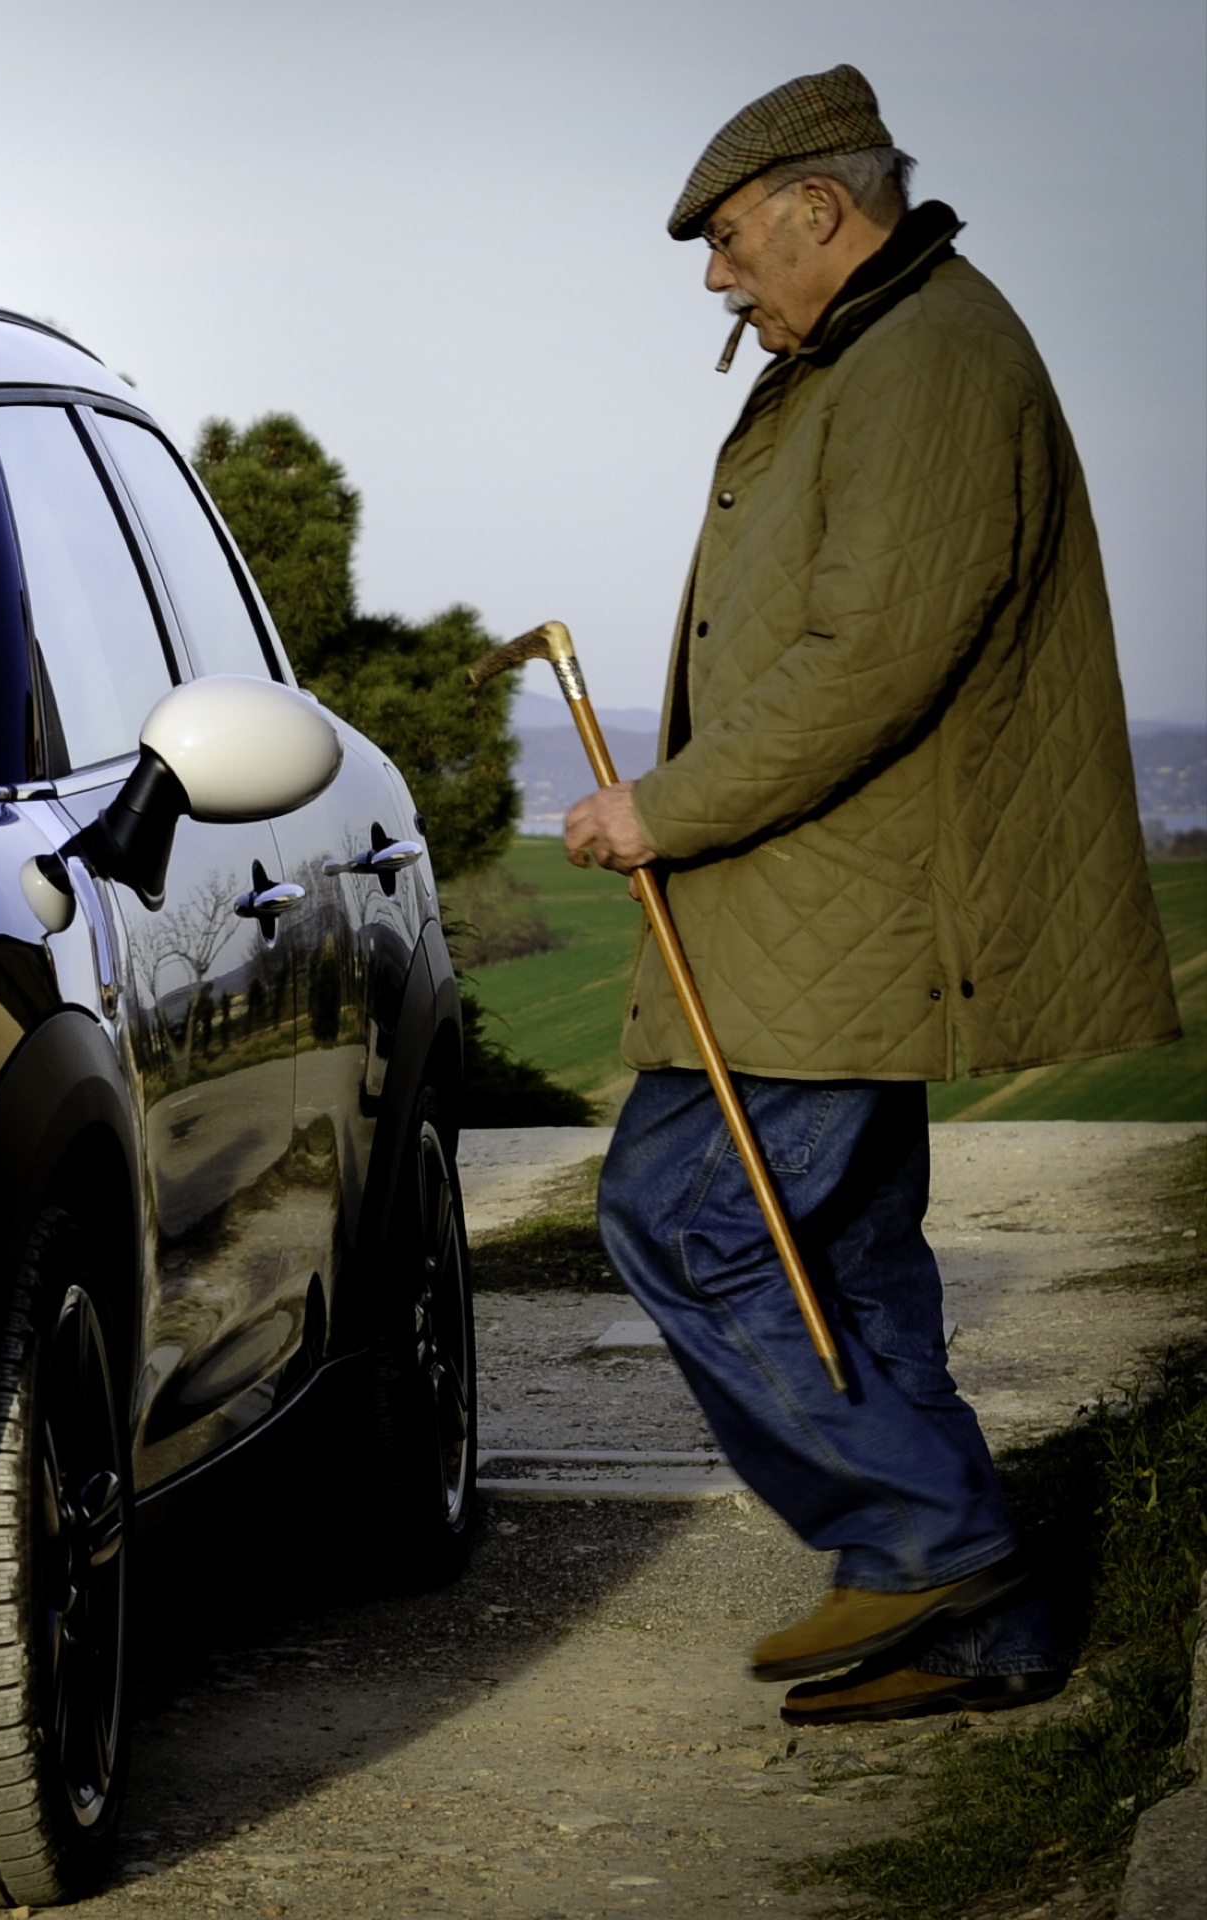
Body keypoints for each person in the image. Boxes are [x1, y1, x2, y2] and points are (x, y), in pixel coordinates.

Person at [564, 63, 1180, 1726]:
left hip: (854, 915)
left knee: (684, 1222)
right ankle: (978, 1633)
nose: (714, 277)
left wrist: (656, 807)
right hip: (823, 909)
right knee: (838, 1257)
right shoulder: (878, 347)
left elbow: (867, 662)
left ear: (820, 209)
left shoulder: (925, 361)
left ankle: (928, 1542)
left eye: (727, 240)